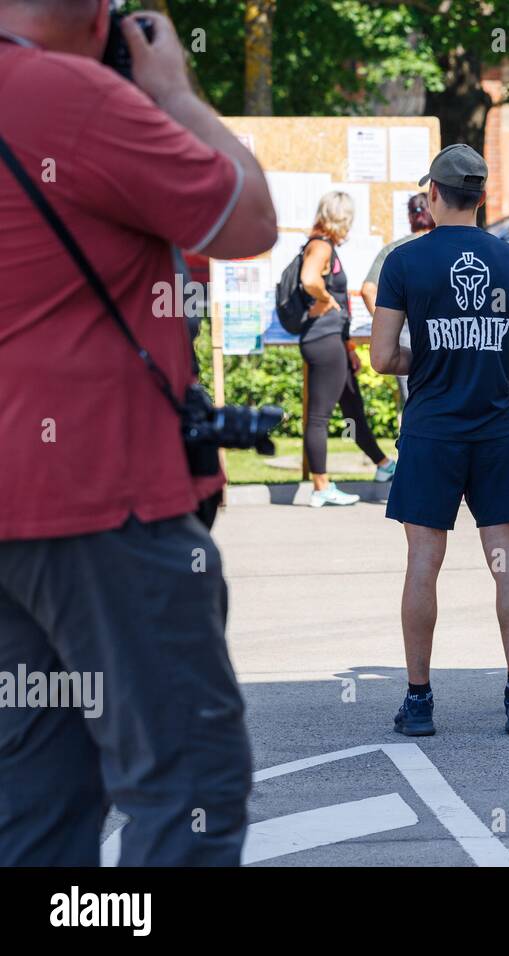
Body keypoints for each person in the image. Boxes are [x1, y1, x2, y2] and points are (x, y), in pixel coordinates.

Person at [0, 1, 276, 865]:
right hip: (101, 500)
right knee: (188, 785)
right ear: (96, 15)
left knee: (38, 798)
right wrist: (176, 94)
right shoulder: (64, 94)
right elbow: (249, 220)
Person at [371, 144, 509, 736]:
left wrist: (431, 352)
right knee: (507, 561)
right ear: (481, 199)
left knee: (424, 563)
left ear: (433, 195)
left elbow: (379, 357)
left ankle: (420, 700)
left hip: (431, 431)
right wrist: (491, 351)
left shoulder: (404, 263)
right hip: (495, 430)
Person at [298, 190, 395, 507]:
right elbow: (309, 279)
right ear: (340, 219)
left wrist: (348, 345)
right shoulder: (321, 246)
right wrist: (326, 301)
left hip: (333, 342)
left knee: (352, 407)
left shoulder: (323, 246)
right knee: (319, 417)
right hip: (322, 341)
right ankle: (320, 486)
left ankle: (383, 466)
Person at [361, 191, 436, 405]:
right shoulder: (446, 246)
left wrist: (387, 322)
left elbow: (367, 289)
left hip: (406, 331)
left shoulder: (394, 250)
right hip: (444, 329)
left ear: (411, 217)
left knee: (413, 398)